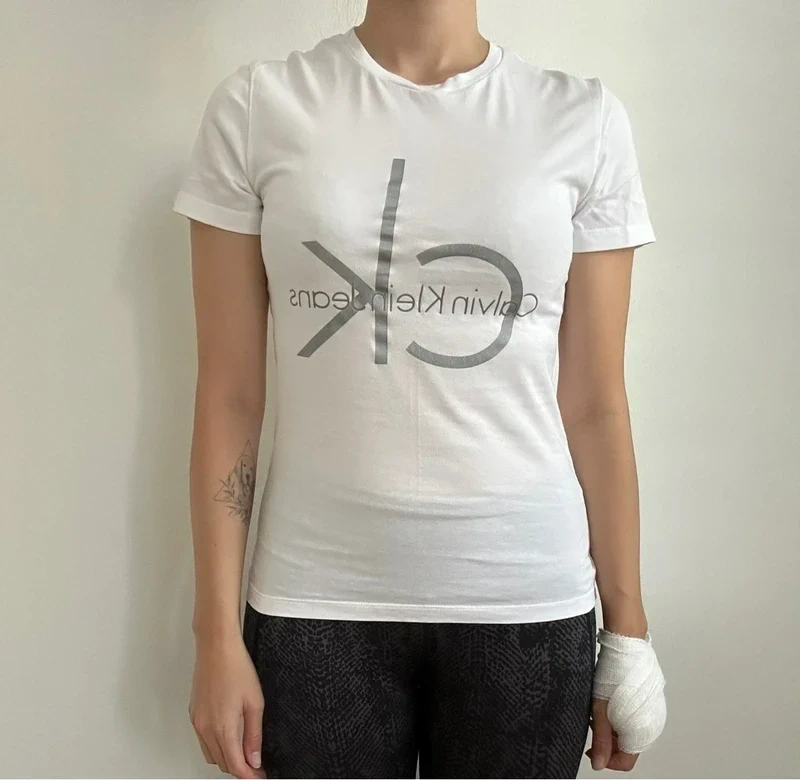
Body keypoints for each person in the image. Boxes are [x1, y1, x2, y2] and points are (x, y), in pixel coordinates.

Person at [172, 1, 667, 777]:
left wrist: (628, 632)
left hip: (526, 606)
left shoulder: (582, 120)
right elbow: (229, 395)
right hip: (315, 602)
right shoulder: (260, 107)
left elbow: (596, 403)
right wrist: (215, 636)